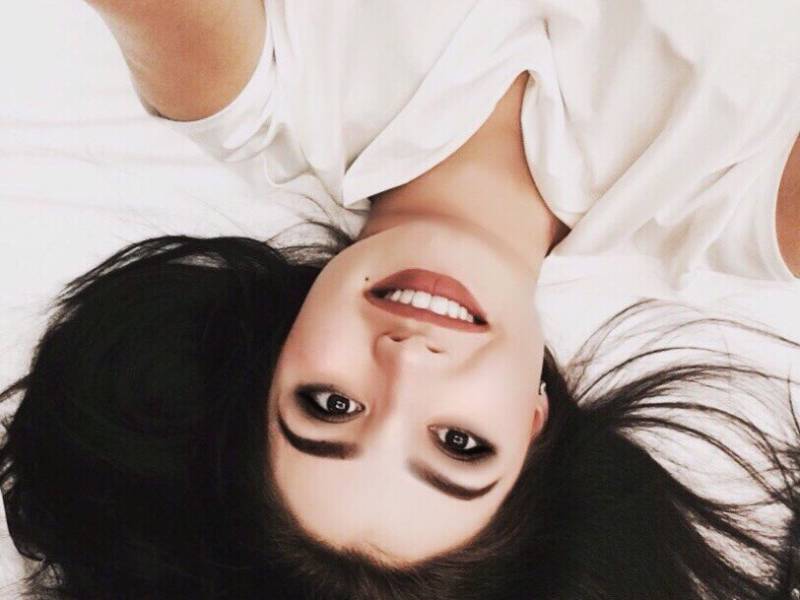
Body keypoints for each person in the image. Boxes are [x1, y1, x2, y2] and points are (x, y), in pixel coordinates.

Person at [0, 1, 798, 598]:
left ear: (272, 360)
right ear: (534, 424)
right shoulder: (745, 204)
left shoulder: (252, 88)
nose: (408, 363)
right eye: (459, 444)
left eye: (329, 405)